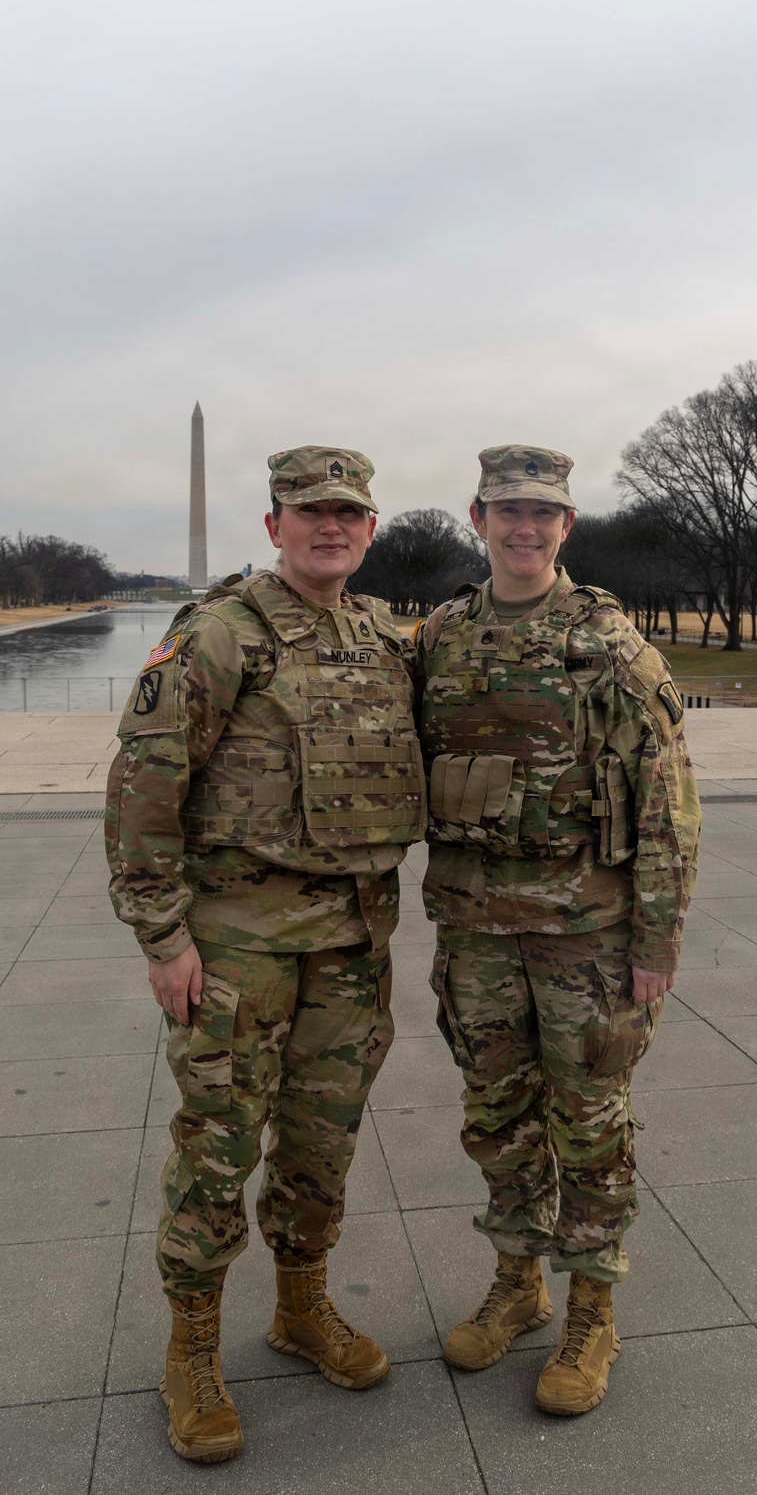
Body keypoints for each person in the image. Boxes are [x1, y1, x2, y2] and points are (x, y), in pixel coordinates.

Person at [106, 446, 426, 1463]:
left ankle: (301, 1309)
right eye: (309, 511)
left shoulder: (384, 637)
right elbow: (143, 786)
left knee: (320, 1143)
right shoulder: (219, 635)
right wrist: (162, 935)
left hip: (350, 940)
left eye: (349, 513)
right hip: (237, 947)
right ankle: (190, 1352)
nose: (330, 526)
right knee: (218, 1146)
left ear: (371, 530)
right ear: (272, 524)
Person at [415, 444, 700, 1416]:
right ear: (477, 517)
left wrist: (656, 939)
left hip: (588, 939)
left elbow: (666, 798)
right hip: (478, 938)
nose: (524, 527)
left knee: (588, 1130)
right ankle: (515, 1282)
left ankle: (591, 1310)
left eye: (543, 512)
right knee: (496, 1122)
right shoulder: (443, 637)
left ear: (566, 526)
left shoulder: (608, 643)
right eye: (507, 510)